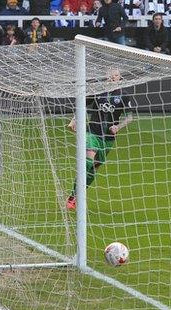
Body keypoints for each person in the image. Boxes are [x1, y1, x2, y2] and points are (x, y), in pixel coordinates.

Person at [66, 69, 135, 210]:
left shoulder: (124, 95)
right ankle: (72, 200)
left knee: (93, 169)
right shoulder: (98, 91)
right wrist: (74, 119)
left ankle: (75, 195)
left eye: (115, 75)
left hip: (108, 138)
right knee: (87, 162)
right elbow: (83, 105)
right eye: (109, 75)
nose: (111, 77)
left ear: (119, 77)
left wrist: (118, 127)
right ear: (106, 76)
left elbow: (130, 117)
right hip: (92, 132)